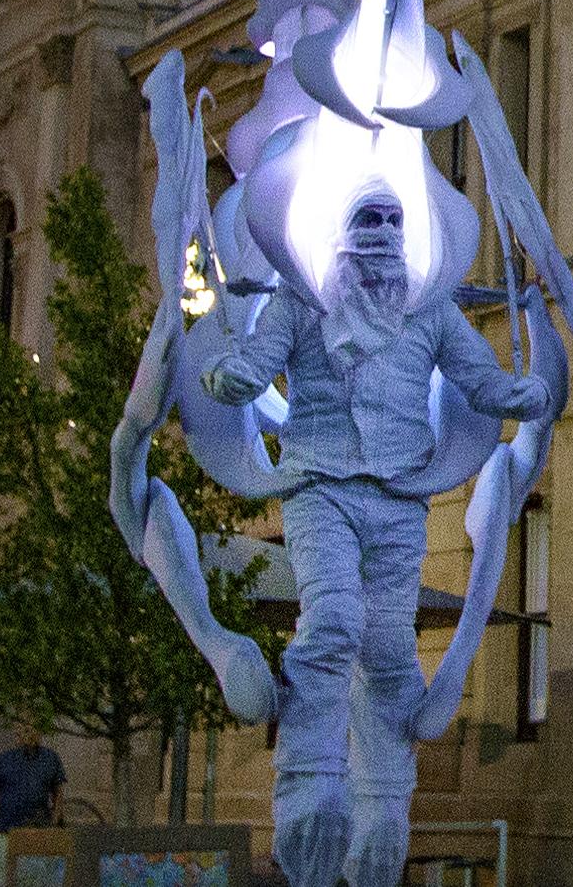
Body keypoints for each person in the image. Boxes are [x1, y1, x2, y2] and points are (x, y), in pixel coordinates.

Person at [203, 187, 550, 887]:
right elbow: (258, 356)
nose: (385, 231)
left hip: (397, 496)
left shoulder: (428, 309)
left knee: (390, 649)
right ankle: (308, 788)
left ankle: (384, 808)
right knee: (331, 623)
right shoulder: (302, 301)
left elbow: (476, 376)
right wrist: (235, 374)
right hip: (320, 487)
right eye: (370, 218)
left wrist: (518, 393)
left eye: (395, 220)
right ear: (344, 230)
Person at [0, 719, 63, 887]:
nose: (28, 735)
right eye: (22, 731)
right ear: (16, 735)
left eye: (31, 730)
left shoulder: (50, 759)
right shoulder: (3, 760)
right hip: (6, 831)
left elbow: (58, 795)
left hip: (39, 832)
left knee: (37, 882)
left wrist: (54, 824)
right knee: (1, 881)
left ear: (39, 733)